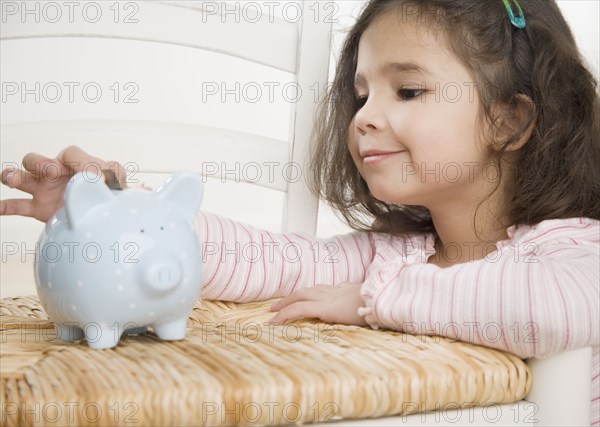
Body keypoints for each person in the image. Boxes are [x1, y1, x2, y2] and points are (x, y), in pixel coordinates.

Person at [1, 0, 598, 423]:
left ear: (509, 120)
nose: (362, 116)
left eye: (407, 91)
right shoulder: (392, 251)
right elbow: (272, 261)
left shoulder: (573, 248)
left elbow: (555, 307)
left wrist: (375, 304)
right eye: (360, 94)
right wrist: (121, 217)